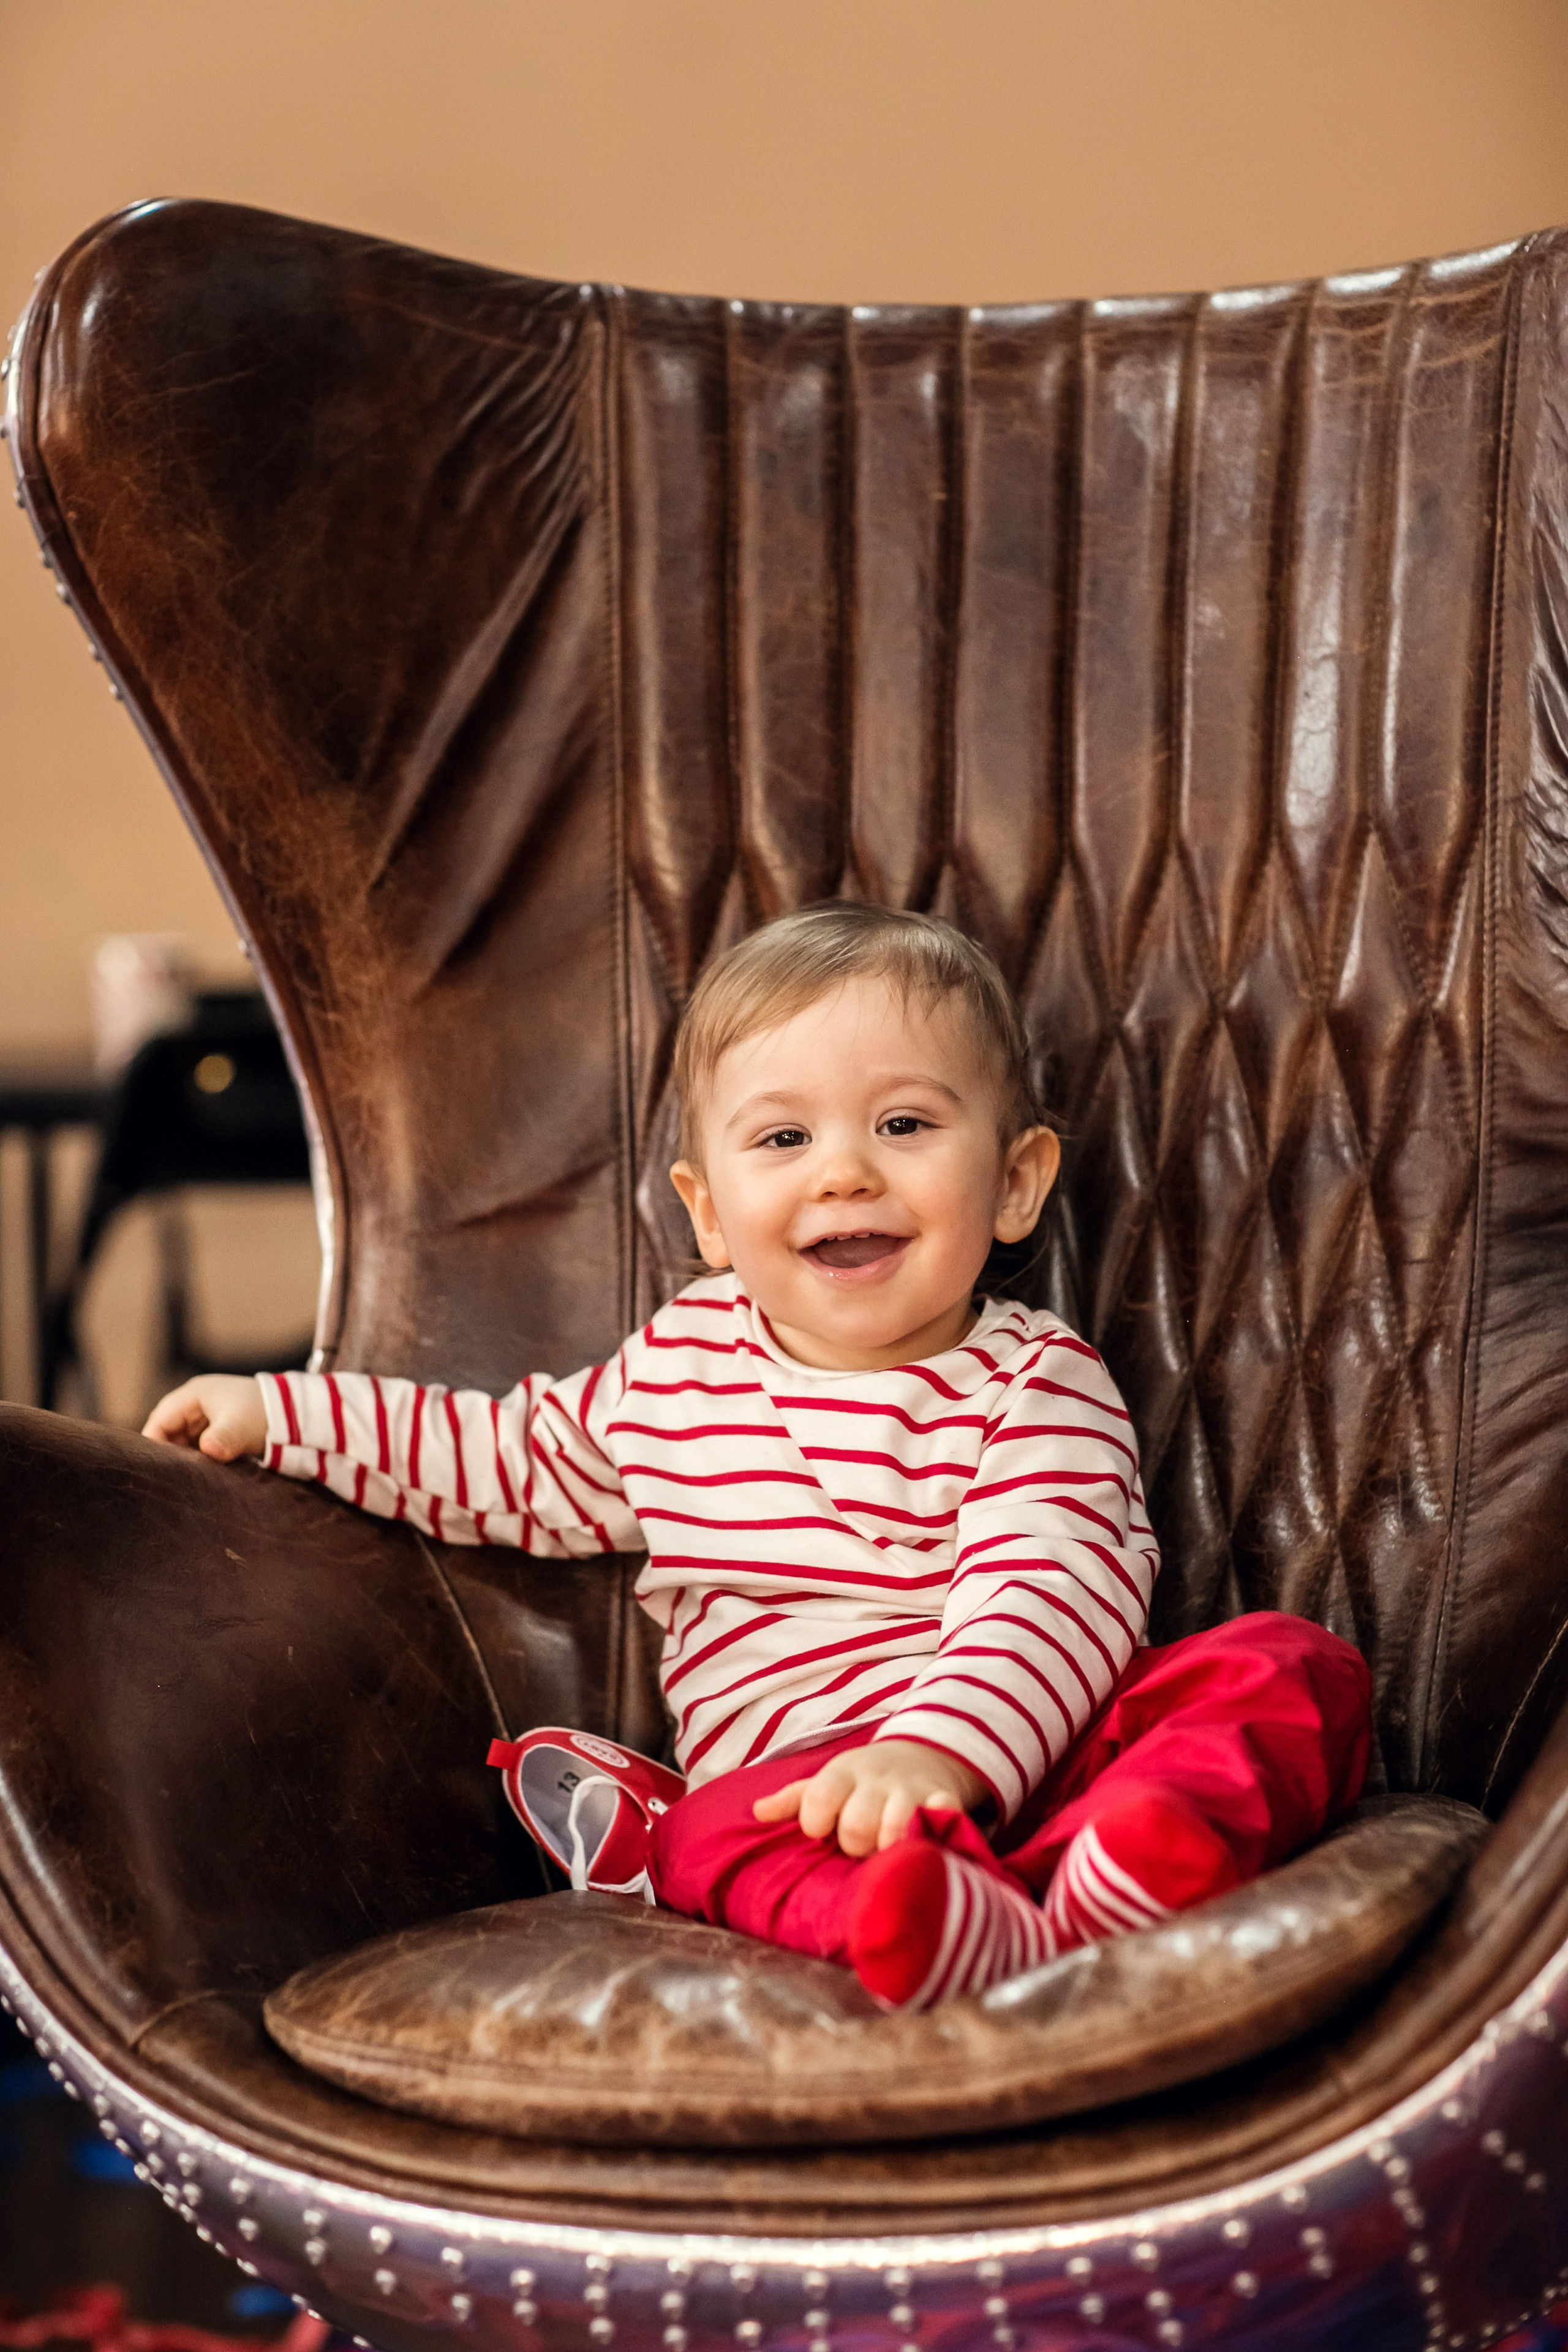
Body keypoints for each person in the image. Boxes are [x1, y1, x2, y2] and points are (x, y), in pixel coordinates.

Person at [143, 902, 1371, 2011]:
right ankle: (951, 1924)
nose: (843, 1169)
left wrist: (939, 1750)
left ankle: (1115, 1869)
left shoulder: (1033, 1378)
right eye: (781, 1140)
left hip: (1040, 1753)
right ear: (709, 1215)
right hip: (800, 1795)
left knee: (1285, 1665)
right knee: (702, 1835)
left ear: (1012, 1183)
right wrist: (287, 1416)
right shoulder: (677, 1371)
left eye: (901, 1123)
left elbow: (1048, 1590)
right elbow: (510, 1459)